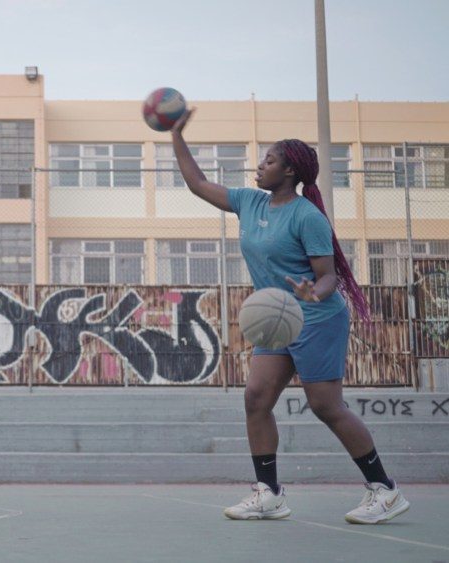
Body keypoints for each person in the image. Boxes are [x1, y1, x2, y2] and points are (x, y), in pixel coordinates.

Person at [170, 108, 409, 524]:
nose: (259, 166)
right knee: (256, 398)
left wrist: (312, 294)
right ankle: (269, 494)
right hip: (279, 318)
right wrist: (175, 135)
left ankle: (385, 490)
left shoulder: (307, 216)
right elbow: (197, 183)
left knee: (326, 406)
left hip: (317, 317)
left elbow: (329, 276)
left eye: (269, 160)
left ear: (289, 170)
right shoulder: (248, 202)